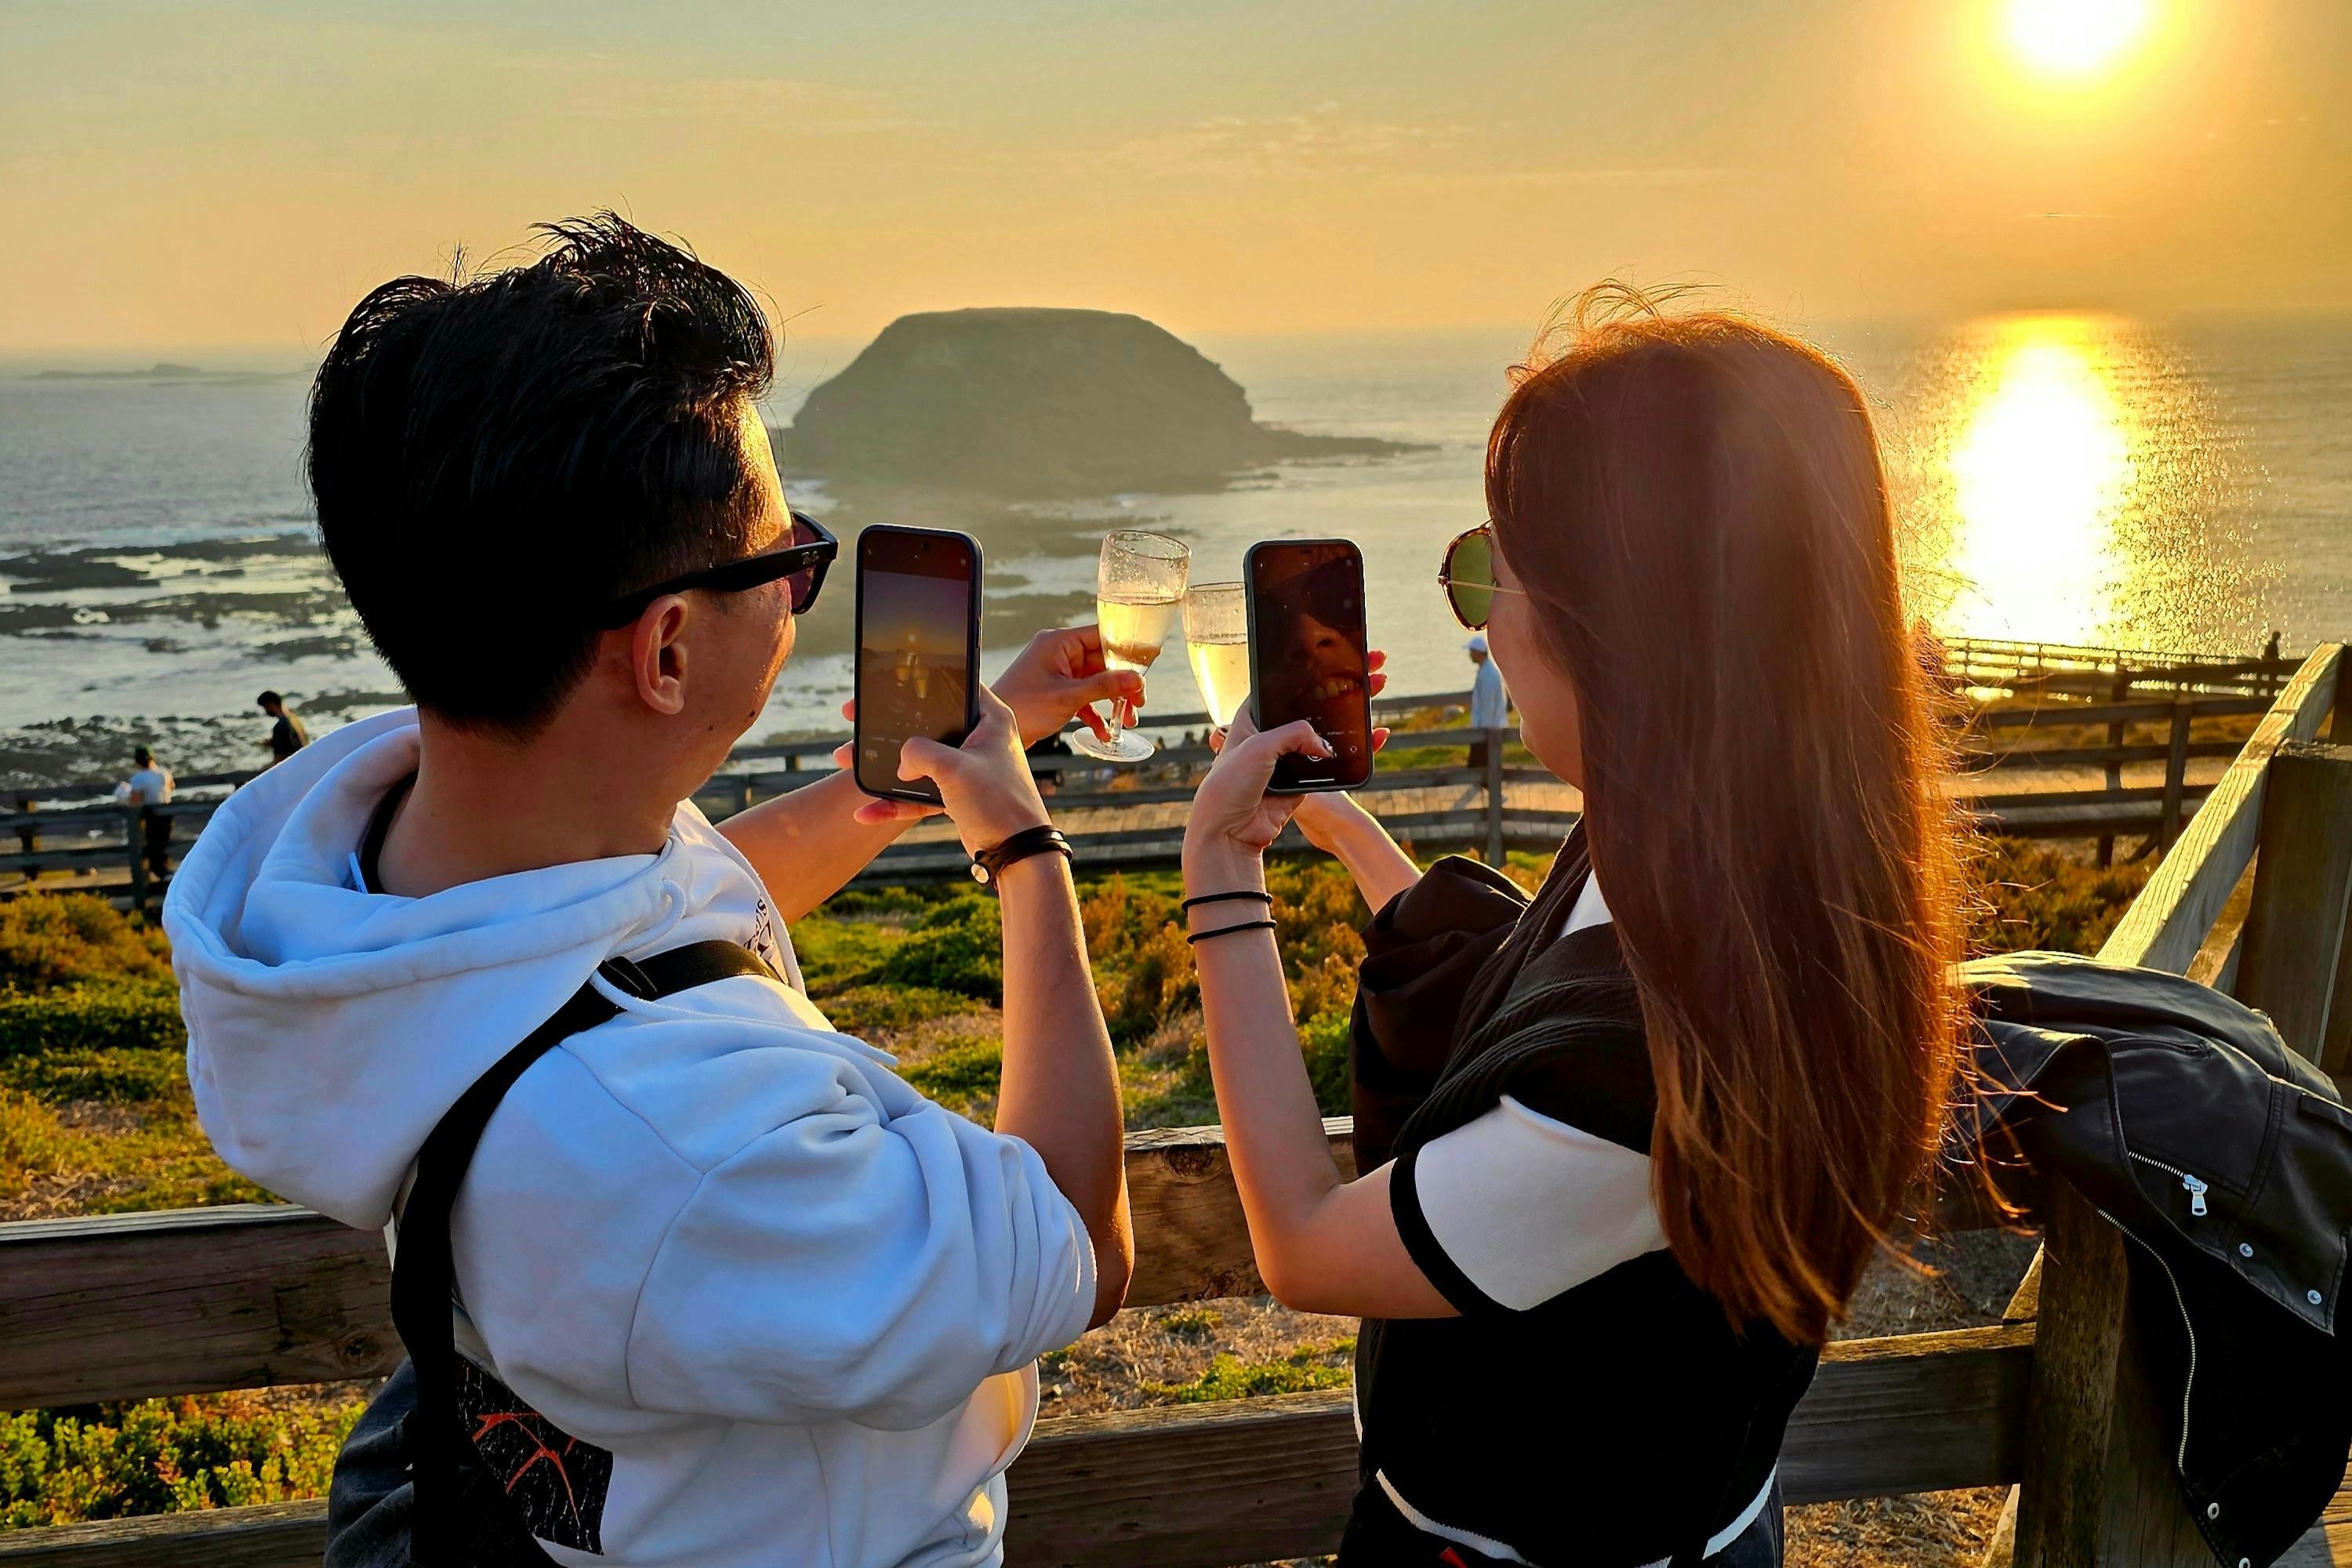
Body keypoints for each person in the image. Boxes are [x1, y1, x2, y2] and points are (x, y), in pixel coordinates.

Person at [166, 216, 1144, 1568]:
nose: (805, 579)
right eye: (786, 560)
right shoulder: (688, 1150)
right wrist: (1029, 860)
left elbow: (670, 926)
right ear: (668, 648)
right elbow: (1082, 1245)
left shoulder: (392, 881)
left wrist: (930, 772)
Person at [1178, 290, 1960, 1566]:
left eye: (1497, 574)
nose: (1482, 625)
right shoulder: (1763, 869)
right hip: (1696, 1521)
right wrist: (1335, 834)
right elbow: (1534, 984)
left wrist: (1218, 880)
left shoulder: (1647, 1073)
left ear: (1623, 638)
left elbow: (1307, 1249)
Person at [115, 744, 175, 884]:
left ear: (137, 761)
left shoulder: (138, 779)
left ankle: (163, 876)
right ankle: (166, 875)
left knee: (151, 849)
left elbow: (135, 801)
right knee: (163, 846)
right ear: (152, 757)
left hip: (151, 817)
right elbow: (172, 786)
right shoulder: (164, 772)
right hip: (167, 815)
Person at [1464, 632, 1508, 772]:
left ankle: (1493, 793)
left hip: (1487, 729)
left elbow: (1489, 705)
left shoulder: (1488, 674)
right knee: (1482, 768)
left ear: (1478, 652)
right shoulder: (1487, 670)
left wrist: (1484, 731)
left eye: (1471, 652)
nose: (1470, 655)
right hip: (1485, 727)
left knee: (1482, 768)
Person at [256, 690, 308, 764]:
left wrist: (268, 772)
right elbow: (293, 743)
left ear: (270, 705)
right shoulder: (294, 719)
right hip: (303, 762)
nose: (266, 711)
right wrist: (274, 743)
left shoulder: (280, 726)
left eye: (265, 707)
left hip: (292, 767)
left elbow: (281, 757)